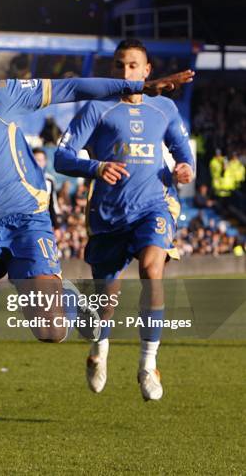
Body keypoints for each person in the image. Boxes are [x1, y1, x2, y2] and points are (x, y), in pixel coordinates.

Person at [0, 46, 194, 449]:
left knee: (50, 330)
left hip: (27, 221)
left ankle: (79, 305)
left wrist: (137, 86)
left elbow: (71, 86)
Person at [54, 39, 195, 401]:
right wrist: (96, 166)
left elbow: (182, 151)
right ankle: (99, 351)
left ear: (147, 71)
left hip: (154, 206)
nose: (126, 72)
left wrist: (185, 169)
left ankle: (148, 365)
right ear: (111, 71)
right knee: (108, 299)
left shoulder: (164, 108)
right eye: (119, 66)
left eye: (133, 66)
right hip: (108, 213)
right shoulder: (97, 109)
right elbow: (62, 157)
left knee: (152, 269)